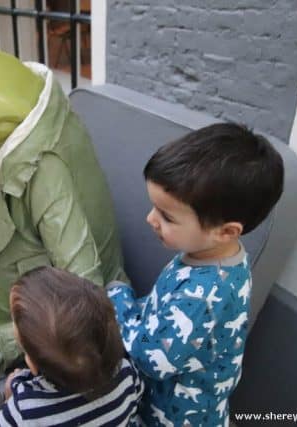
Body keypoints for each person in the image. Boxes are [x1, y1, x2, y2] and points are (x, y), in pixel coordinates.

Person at [107, 123, 284, 426]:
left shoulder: (204, 295)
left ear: (225, 231)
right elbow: (162, 310)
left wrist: (118, 301)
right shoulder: (212, 257)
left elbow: (154, 359)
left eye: (166, 216)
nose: (151, 219)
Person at [0, 267, 144, 426]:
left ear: (32, 364)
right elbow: (135, 400)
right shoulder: (126, 373)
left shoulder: (24, 409)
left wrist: (10, 396)